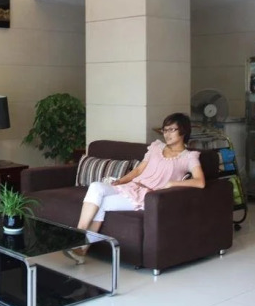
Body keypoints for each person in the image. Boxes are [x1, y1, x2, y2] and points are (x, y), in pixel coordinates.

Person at [64, 112, 205, 265]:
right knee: (96, 187)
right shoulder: (156, 147)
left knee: (102, 204)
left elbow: (200, 182)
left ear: (183, 131)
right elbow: (138, 170)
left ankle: (81, 247)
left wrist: (173, 184)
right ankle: (78, 237)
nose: (167, 134)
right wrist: (120, 181)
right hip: (131, 186)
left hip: (146, 197)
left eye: (172, 130)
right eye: (165, 130)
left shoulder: (188, 157)